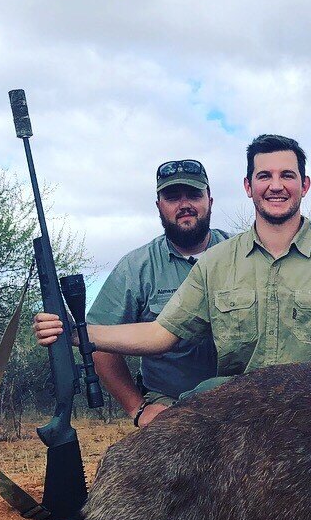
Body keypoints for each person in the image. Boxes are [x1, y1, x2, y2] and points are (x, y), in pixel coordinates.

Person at [35, 134, 311, 398]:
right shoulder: (215, 262)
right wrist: (76, 332)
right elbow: (161, 335)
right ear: (248, 186)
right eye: (263, 176)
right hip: (239, 414)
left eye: (287, 175)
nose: (276, 186)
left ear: (305, 184)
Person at [87, 159, 229, 428]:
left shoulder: (241, 252)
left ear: (209, 200)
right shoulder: (136, 267)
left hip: (239, 405)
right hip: (170, 410)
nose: (184, 204)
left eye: (194, 195)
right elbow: (98, 343)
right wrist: (137, 408)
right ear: (158, 206)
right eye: (173, 197)